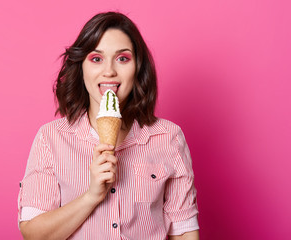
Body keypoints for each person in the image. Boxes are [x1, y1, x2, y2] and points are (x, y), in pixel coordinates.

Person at [18, 12, 199, 240]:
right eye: (96, 59)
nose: (109, 71)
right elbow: (34, 234)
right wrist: (92, 196)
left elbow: (183, 233)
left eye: (122, 58)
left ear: (138, 68)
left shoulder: (168, 137)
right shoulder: (51, 138)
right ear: (81, 67)